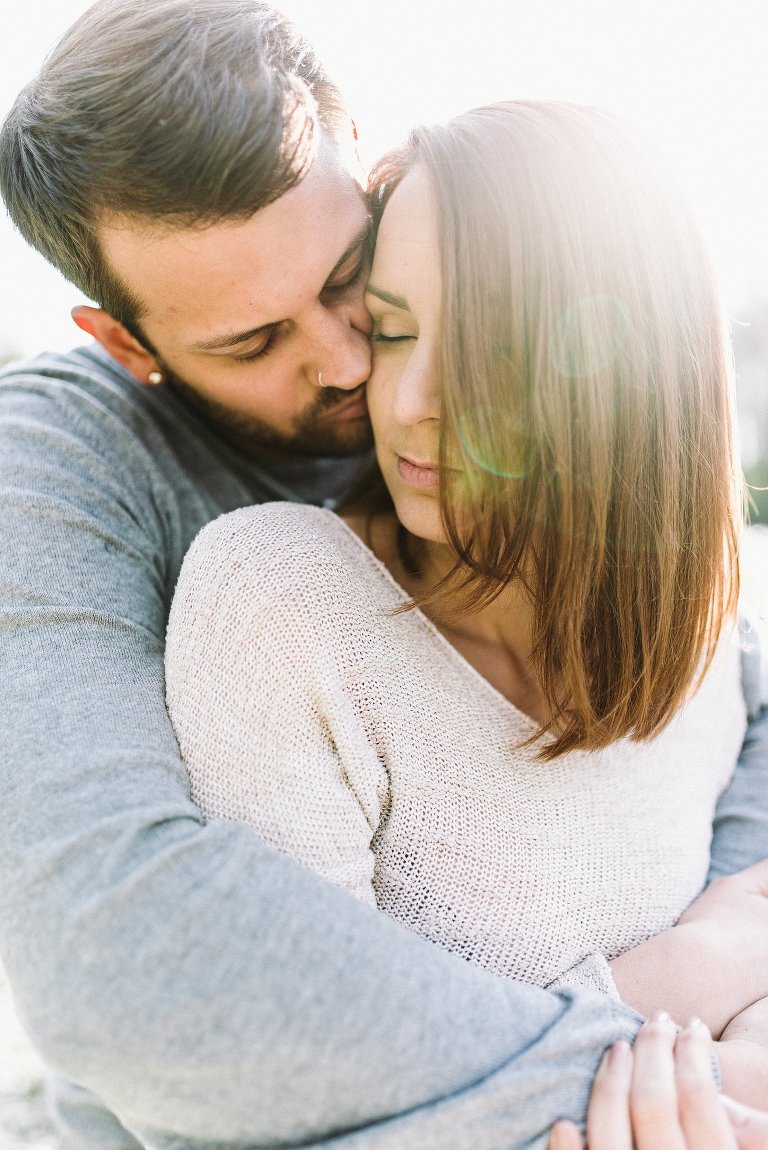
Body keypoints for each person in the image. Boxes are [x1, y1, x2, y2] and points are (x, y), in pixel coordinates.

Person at [0, 1, 766, 1147]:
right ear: (131, 345)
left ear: (364, 164)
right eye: (255, 342)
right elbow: (127, 959)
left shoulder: (474, 338)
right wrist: (664, 1062)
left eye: (353, 278)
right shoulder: (55, 471)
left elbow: (728, 684)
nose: (358, 366)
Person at [164, 96, 768, 1100]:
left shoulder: (706, 642)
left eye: (488, 358)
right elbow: (293, 1093)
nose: (403, 404)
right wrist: (698, 975)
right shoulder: (282, 605)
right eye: (393, 333)